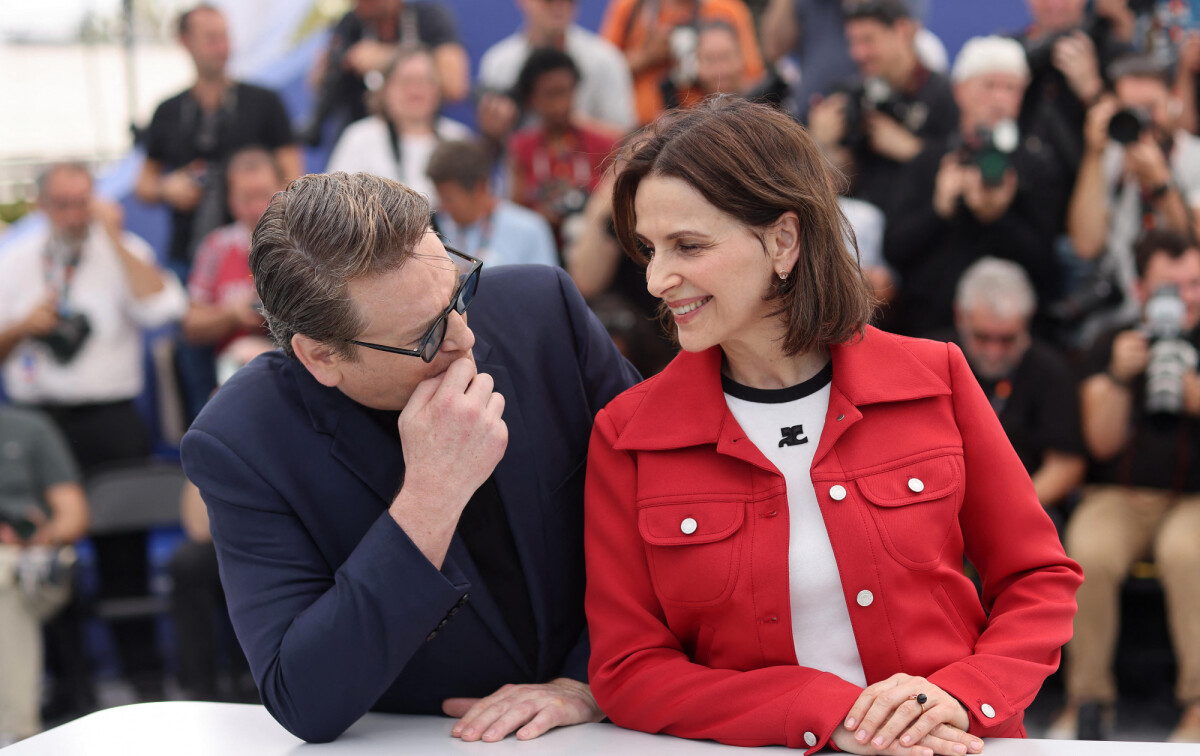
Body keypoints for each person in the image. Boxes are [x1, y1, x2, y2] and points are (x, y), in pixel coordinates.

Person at [584, 97, 1082, 753]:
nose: (656, 279)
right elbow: (629, 669)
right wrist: (829, 715)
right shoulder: (627, 435)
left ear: (784, 240)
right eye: (649, 248)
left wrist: (963, 693)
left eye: (689, 245)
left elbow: (1037, 579)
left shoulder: (938, 377)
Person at [179, 171, 640, 743]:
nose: (465, 337)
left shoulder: (544, 311)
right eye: (425, 336)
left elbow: (669, 507)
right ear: (321, 356)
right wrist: (430, 498)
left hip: (622, 723)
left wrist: (587, 676)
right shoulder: (243, 441)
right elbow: (303, 697)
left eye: (458, 293)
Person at [0, 162, 188, 707]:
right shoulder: (15, 262)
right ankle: (65, 682)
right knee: (45, 547)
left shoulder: (119, 246)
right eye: (63, 204)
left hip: (111, 416)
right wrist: (19, 329)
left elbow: (165, 307)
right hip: (39, 422)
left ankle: (145, 677)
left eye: (84, 201)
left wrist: (113, 234)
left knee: (124, 552)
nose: (75, 214)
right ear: (40, 207)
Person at [1055, 228, 1200, 743]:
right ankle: (1088, 699)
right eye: (1170, 287)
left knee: (1190, 555)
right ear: (1140, 290)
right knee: (1088, 551)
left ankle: (1197, 709)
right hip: (1118, 495)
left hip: (1193, 502)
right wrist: (1119, 377)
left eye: (1194, 284)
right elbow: (1100, 443)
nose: (1184, 298)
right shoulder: (1109, 342)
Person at [885, 35, 1064, 337]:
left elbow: (1048, 267)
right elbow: (895, 252)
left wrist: (998, 218)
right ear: (960, 91)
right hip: (934, 326)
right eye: (989, 85)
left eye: (1011, 88)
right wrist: (939, 210)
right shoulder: (930, 163)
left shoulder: (1038, 166)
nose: (999, 99)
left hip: (1014, 335)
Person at [135, 4, 300, 274]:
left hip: (260, 252)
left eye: (225, 37)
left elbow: (295, 177)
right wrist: (168, 188)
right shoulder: (168, 111)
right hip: (189, 253)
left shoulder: (264, 102)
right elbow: (144, 184)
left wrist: (258, 195)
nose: (222, 47)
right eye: (211, 38)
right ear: (185, 42)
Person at [1067, 56, 1200, 344]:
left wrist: (1162, 184)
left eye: (1150, 108)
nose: (1142, 120)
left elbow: (1191, 248)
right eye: (1130, 110)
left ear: (1173, 103)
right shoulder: (1108, 158)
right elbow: (1086, 245)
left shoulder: (1194, 158)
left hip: (1187, 309)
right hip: (1121, 313)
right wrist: (1094, 153)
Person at [951, 257, 1085, 529]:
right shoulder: (930, 358)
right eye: (982, 337)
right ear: (960, 317)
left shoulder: (1050, 370)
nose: (994, 352)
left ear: (1027, 322)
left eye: (1007, 339)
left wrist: (1006, 510)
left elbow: (1066, 465)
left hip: (1021, 509)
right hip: (941, 506)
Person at [807, 0, 958, 232]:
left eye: (868, 40)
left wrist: (912, 150)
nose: (858, 54)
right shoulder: (854, 96)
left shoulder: (945, 95)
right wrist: (822, 145)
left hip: (926, 238)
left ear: (902, 31)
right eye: (853, 42)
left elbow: (963, 173)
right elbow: (842, 183)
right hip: (864, 236)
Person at [0, 405, 88, 745]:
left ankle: (16, 734)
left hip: (33, 562)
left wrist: (38, 536)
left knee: (3, 573)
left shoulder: (29, 428)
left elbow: (74, 516)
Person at [182, 147, 279, 393]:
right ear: (230, 200)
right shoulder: (216, 247)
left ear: (282, 189)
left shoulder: (306, 243)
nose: (257, 207)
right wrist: (232, 314)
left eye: (264, 195)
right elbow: (191, 323)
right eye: (246, 198)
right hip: (234, 377)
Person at [304, 0, 468, 146]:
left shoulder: (427, 18)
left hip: (422, 137)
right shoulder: (348, 25)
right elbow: (322, 87)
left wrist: (383, 58)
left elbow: (455, 85)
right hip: (364, 141)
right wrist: (324, 69)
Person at [326, 45, 472, 208]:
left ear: (437, 88)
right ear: (385, 89)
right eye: (406, 81)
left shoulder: (458, 139)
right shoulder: (360, 138)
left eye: (424, 81)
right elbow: (335, 206)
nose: (415, 90)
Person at [477, 0, 635, 146]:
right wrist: (492, 132)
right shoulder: (497, 63)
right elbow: (490, 150)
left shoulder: (606, 60)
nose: (560, 4)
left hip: (592, 174)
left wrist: (569, 119)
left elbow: (627, 140)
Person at [507, 47, 620, 250]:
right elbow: (515, 214)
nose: (561, 104)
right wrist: (540, 218)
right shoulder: (521, 147)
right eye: (551, 95)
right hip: (541, 250)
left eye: (566, 92)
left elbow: (616, 206)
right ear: (531, 99)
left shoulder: (603, 143)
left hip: (593, 250)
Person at [1014, 0, 1133, 192]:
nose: (1055, 4)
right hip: (1021, 195)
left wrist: (1092, 90)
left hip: (1091, 190)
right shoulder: (1007, 52)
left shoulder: (1113, 54)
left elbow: (1131, 139)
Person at [600, 0, 764, 126]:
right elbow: (602, 72)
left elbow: (751, 78)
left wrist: (708, 69)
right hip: (638, 127)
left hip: (707, 123)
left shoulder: (725, 10)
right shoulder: (633, 8)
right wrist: (647, 56)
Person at [427, 140, 558, 267]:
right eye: (440, 197)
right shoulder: (435, 228)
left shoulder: (530, 230)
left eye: (448, 199)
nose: (443, 207)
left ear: (480, 188)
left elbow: (544, 287)